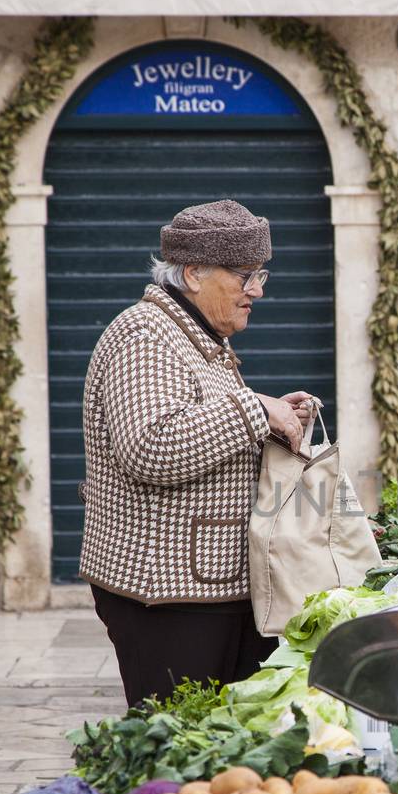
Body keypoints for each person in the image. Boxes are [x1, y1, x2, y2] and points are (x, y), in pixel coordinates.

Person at [79, 199, 316, 708]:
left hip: (208, 589)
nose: (258, 290)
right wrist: (255, 410)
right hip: (167, 596)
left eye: (261, 273)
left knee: (220, 751)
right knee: (178, 752)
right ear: (192, 273)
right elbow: (151, 447)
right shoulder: (146, 335)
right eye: (245, 275)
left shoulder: (197, 336)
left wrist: (276, 421)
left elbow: (204, 432)